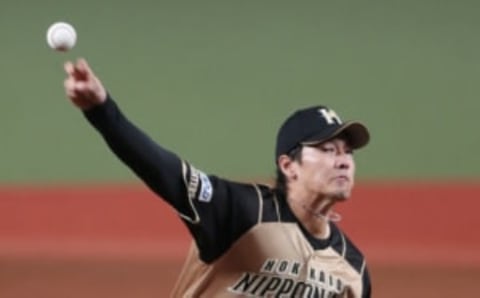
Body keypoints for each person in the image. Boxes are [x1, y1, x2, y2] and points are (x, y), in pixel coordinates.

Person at [63, 58, 372, 298]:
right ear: (289, 166)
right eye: (328, 149)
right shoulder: (243, 212)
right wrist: (102, 111)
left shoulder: (352, 270)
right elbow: (163, 170)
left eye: (348, 152)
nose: (343, 160)